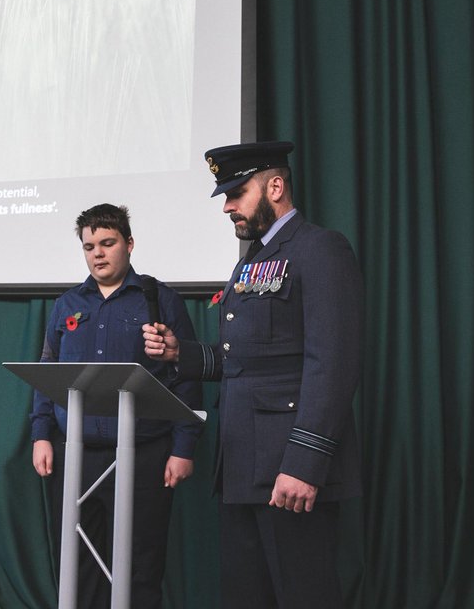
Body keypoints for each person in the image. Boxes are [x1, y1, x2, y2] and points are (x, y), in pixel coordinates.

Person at [144, 141, 363, 609]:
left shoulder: (319, 249)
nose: (227, 206)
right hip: (243, 464)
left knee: (305, 596)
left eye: (237, 193)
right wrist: (180, 353)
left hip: (290, 467)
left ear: (276, 186)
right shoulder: (249, 262)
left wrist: (304, 463)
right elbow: (240, 361)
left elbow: (334, 363)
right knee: (247, 596)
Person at [31, 203, 201, 609]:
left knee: (141, 561)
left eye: (107, 243)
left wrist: (183, 448)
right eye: (89, 246)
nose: (98, 254)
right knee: (79, 563)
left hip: (145, 454)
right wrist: (41, 434)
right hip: (77, 455)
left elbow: (185, 376)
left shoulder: (160, 300)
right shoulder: (67, 305)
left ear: (129, 244)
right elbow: (46, 373)